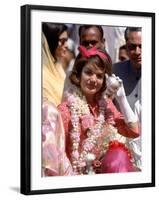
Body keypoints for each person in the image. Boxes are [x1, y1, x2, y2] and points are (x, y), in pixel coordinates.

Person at [58, 45, 140, 175]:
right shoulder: (65, 110)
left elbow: (134, 131)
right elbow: (57, 154)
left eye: (99, 76)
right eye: (88, 72)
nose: (93, 80)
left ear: (104, 80)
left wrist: (122, 99)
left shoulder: (106, 106)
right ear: (78, 75)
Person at [113, 27, 142, 169]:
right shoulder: (115, 71)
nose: (137, 52)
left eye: (142, 46)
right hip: (121, 153)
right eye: (132, 47)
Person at [42, 23, 71, 106]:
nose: (67, 46)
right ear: (51, 42)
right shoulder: (42, 76)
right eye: (62, 41)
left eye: (66, 41)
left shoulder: (57, 66)